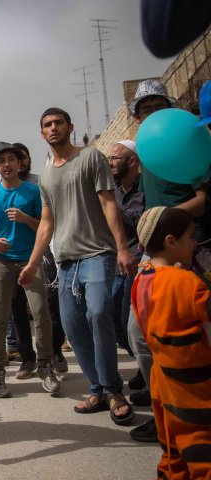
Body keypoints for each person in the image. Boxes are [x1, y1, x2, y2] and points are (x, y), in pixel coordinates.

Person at [19, 107, 137, 425]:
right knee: (72, 327)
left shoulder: (91, 158)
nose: (53, 127)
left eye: (58, 122)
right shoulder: (45, 174)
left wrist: (122, 248)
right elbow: (47, 222)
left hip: (98, 253)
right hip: (66, 262)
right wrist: (32, 263)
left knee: (98, 314)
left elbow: (109, 203)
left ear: (69, 126)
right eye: (47, 124)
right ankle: (97, 389)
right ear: (42, 133)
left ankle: (113, 390)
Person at [126, 79, 209, 441]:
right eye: (145, 109)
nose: (152, 114)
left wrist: (164, 219)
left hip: (193, 249)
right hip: (154, 252)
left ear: (171, 109)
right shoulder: (146, 153)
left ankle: (194, 414)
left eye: (158, 106)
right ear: (138, 119)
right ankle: (164, 409)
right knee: (140, 334)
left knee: (199, 331)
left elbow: (202, 200)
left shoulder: (192, 141)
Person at [0, 141, 59, 397]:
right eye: (1, 161)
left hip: (30, 259)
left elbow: (45, 226)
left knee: (41, 312)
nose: (6, 165)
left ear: (19, 163)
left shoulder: (33, 191)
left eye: (11, 159)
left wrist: (25, 218)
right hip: (0, 261)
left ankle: (46, 366)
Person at [130, 207, 211, 478]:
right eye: (190, 237)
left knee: (171, 448)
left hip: (160, 378)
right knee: (200, 446)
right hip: (191, 382)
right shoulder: (186, 281)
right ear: (170, 241)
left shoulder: (142, 277)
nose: (195, 242)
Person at [107, 140, 144, 358]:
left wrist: (112, 209)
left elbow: (143, 224)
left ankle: (145, 365)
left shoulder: (146, 188)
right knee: (113, 321)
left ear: (132, 161)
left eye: (114, 158)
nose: (110, 163)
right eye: (109, 158)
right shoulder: (112, 191)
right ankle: (141, 361)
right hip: (115, 266)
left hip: (139, 263)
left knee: (129, 321)